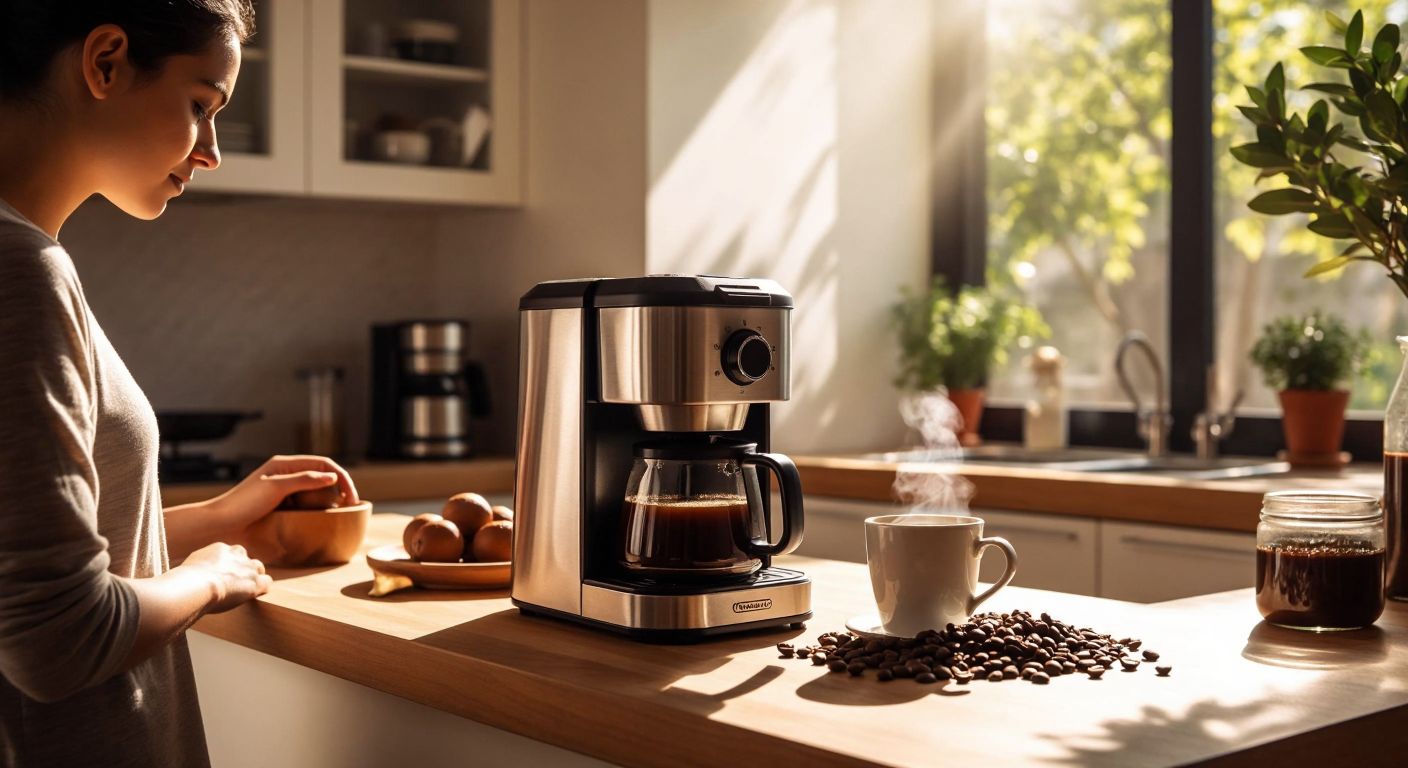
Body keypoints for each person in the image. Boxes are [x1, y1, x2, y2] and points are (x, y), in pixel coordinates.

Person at [0, 3, 359, 766]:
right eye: (202, 105)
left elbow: (30, 559)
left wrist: (217, 519)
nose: (212, 152)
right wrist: (209, 579)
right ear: (104, 62)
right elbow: (56, 640)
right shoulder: (21, 273)